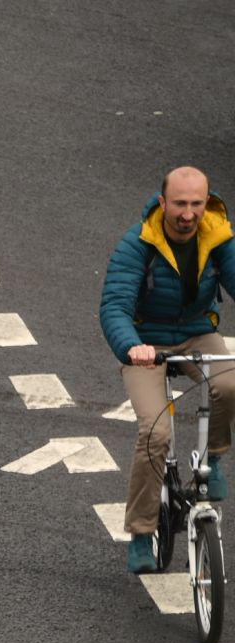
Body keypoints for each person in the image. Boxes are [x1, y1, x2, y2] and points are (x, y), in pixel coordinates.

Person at [99, 166, 235, 573]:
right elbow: (114, 306)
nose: (188, 214)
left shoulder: (219, 237)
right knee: (155, 432)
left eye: (196, 204)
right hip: (146, 342)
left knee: (229, 386)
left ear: (206, 202)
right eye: (180, 204)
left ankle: (213, 458)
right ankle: (141, 532)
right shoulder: (138, 243)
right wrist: (132, 347)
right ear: (163, 203)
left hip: (197, 335)